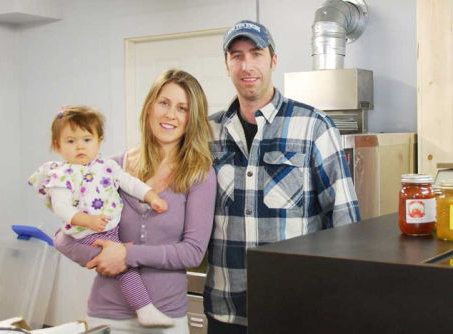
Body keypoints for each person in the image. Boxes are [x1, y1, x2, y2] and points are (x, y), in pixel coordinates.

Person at [203, 20, 361, 333]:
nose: (246, 65)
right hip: (226, 311)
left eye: (256, 53)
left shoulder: (314, 126)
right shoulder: (208, 132)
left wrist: (342, 300)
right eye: (236, 56)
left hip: (295, 307)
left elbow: (345, 224)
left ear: (273, 60)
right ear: (226, 64)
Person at [52, 70, 217, 334]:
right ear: (150, 106)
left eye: (182, 108)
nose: (170, 115)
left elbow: (192, 252)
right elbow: (63, 236)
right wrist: (102, 256)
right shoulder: (111, 168)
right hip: (107, 315)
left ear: (192, 118)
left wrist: (126, 255)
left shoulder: (199, 174)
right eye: (164, 103)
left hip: (167, 318)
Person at [28, 105, 176, 327]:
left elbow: (129, 183)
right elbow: (62, 208)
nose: (80, 146)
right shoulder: (60, 175)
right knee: (124, 267)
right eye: (71, 141)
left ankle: (143, 308)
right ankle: (145, 309)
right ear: (58, 145)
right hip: (86, 232)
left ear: (99, 141)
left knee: (123, 260)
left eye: (87, 140)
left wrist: (152, 196)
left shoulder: (106, 166)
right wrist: (86, 220)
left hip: (109, 227)